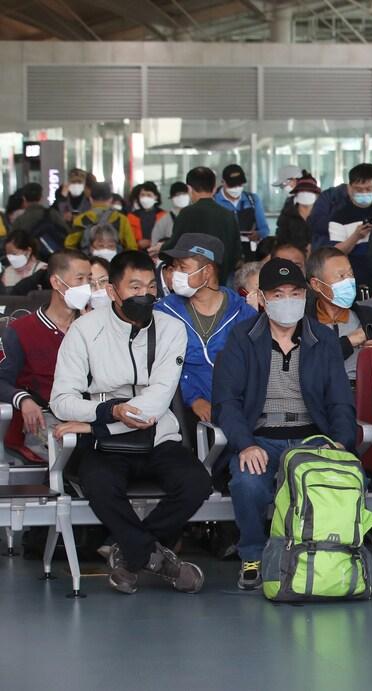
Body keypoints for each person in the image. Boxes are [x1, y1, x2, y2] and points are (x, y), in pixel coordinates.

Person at [50, 250, 211, 595]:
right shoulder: (84, 330)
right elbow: (61, 401)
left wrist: (94, 424)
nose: (145, 295)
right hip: (105, 445)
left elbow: (156, 402)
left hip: (157, 436)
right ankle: (155, 558)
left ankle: (128, 552)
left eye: (151, 287)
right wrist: (107, 415)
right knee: (98, 482)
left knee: (196, 482)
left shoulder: (171, 329)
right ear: (112, 290)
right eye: (135, 287)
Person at [212, 258, 357, 591]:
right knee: (248, 483)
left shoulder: (322, 339)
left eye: (295, 293)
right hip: (260, 437)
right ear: (262, 299)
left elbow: (340, 401)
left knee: (337, 478)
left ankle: (322, 556)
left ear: (305, 296)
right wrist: (245, 444)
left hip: (312, 438)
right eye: (278, 295)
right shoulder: (242, 338)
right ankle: (252, 555)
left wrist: (339, 443)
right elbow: (226, 402)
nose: (288, 301)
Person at [154, 232, 258, 425]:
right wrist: (193, 398)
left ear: (207, 271)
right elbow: (161, 366)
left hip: (238, 410)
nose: (175, 274)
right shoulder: (164, 312)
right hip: (182, 412)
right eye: (174, 267)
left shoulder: (243, 313)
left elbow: (254, 368)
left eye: (183, 267)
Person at [0, 250, 89, 461]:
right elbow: (2, 380)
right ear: (56, 282)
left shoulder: (95, 325)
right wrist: (23, 399)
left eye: (89, 279)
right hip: (44, 417)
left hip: (90, 416)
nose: (86, 287)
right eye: (80, 279)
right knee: (70, 450)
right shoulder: (22, 330)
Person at [306, 247, 372, 382]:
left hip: (363, 392)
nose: (349, 281)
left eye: (350, 274)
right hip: (320, 393)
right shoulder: (303, 324)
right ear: (316, 284)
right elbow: (305, 364)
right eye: (341, 276)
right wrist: (348, 342)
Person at [319, 163, 372, 295]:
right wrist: (356, 236)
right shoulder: (339, 216)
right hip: (354, 274)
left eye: (368, 188)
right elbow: (336, 252)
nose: (363, 193)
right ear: (349, 188)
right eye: (358, 189)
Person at [168, 167, 242, 280]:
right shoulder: (228, 215)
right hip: (222, 279)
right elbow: (236, 252)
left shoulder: (186, 214)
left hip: (193, 279)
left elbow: (175, 245)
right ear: (214, 188)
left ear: (189, 189)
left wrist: (161, 247)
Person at [69, 182, 137, 251]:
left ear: (90, 199)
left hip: (88, 257)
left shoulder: (80, 219)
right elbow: (131, 247)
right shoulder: (121, 219)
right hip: (115, 257)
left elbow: (69, 246)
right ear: (111, 200)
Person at [213, 164, 271, 241]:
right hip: (222, 246)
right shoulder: (213, 201)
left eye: (239, 184)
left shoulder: (253, 200)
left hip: (248, 246)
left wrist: (259, 234)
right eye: (232, 185)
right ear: (223, 182)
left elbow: (264, 229)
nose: (236, 188)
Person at [10, 182, 67, 253]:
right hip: (53, 254)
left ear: (24, 199)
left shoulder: (19, 220)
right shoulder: (52, 214)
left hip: (30, 256)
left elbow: (12, 241)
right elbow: (66, 231)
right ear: (41, 197)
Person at [275, 176, 319, 253]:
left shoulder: (323, 214)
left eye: (309, 192)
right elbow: (281, 240)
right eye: (302, 191)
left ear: (316, 195)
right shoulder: (287, 215)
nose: (305, 194)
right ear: (296, 194)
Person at [148, 182, 188, 254]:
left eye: (184, 194)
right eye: (177, 195)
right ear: (171, 198)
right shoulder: (163, 220)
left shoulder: (195, 216)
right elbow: (154, 244)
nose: (181, 197)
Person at [126, 182, 164, 251]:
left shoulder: (163, 215)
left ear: (156, 197)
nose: (145, 198)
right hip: (137, 252)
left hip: (159, 252)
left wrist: (154, 243)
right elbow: (127, 238)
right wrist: (138, 244)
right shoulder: (131, 216)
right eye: (142, 195)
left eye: (149, 195)